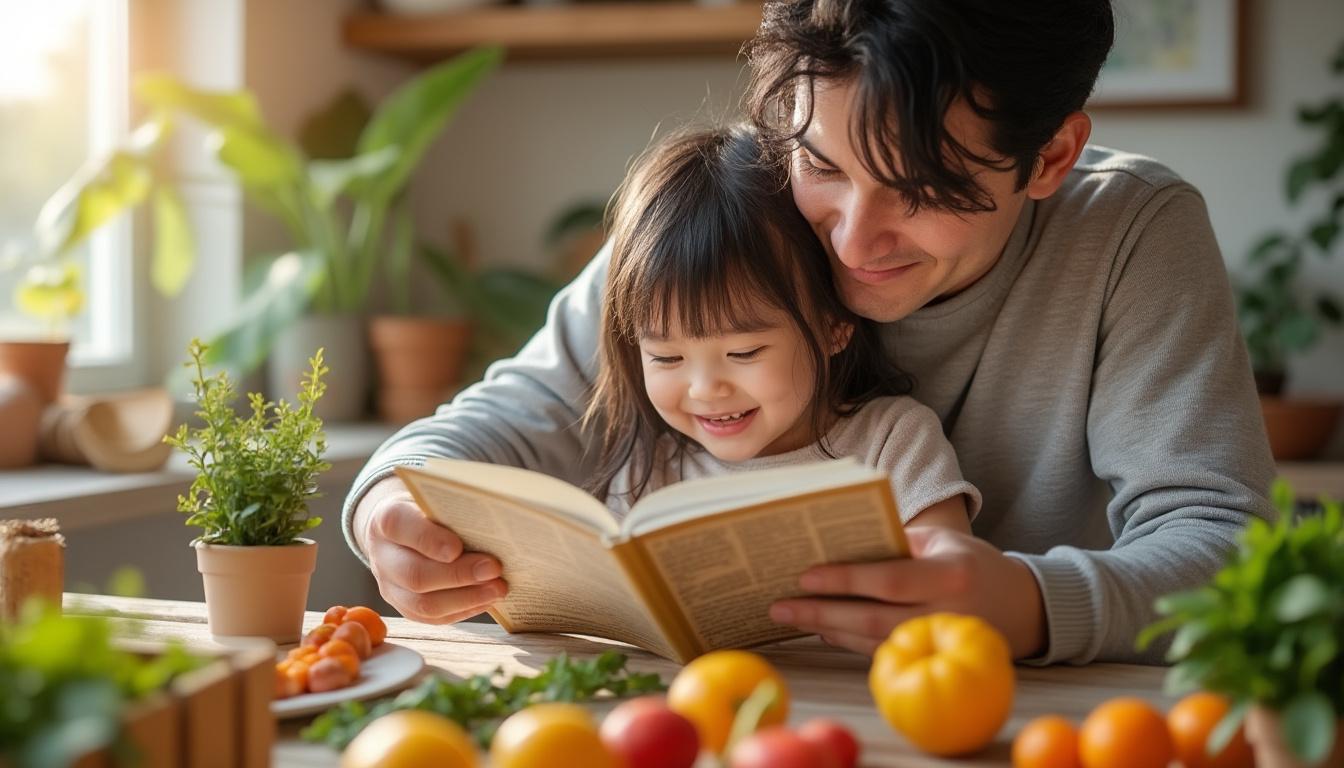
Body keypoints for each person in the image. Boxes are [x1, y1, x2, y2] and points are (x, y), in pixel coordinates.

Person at [344, 0, 1275, 664]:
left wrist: (1027, 602)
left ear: (1052, 156)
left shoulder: (1130, 232)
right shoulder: (741, 200)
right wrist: (388, 505)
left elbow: (1224, 544)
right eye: (821, 166)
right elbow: (507, 414)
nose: (853, 239)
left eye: (921, 190)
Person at [586, 124, 978, 536]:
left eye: (743, 353)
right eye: (667, 358)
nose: (704, 389)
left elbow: (948, 571)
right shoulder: (648, 474)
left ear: (833, 326)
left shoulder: (891, 443)